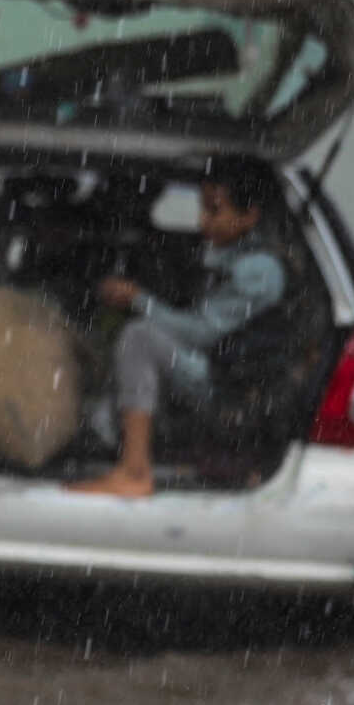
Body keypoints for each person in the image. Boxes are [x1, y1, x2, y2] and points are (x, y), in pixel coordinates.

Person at [71, 157, 288, 499]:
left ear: (250, 216)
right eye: (203, 208)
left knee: (139, 338)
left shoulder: (258, 269)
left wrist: (138, 299)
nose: (203, 221)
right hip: (225, 373)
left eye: (214, 210)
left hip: (230, 386)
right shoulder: (234, 255)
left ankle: (135, 471)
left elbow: (201, 334)